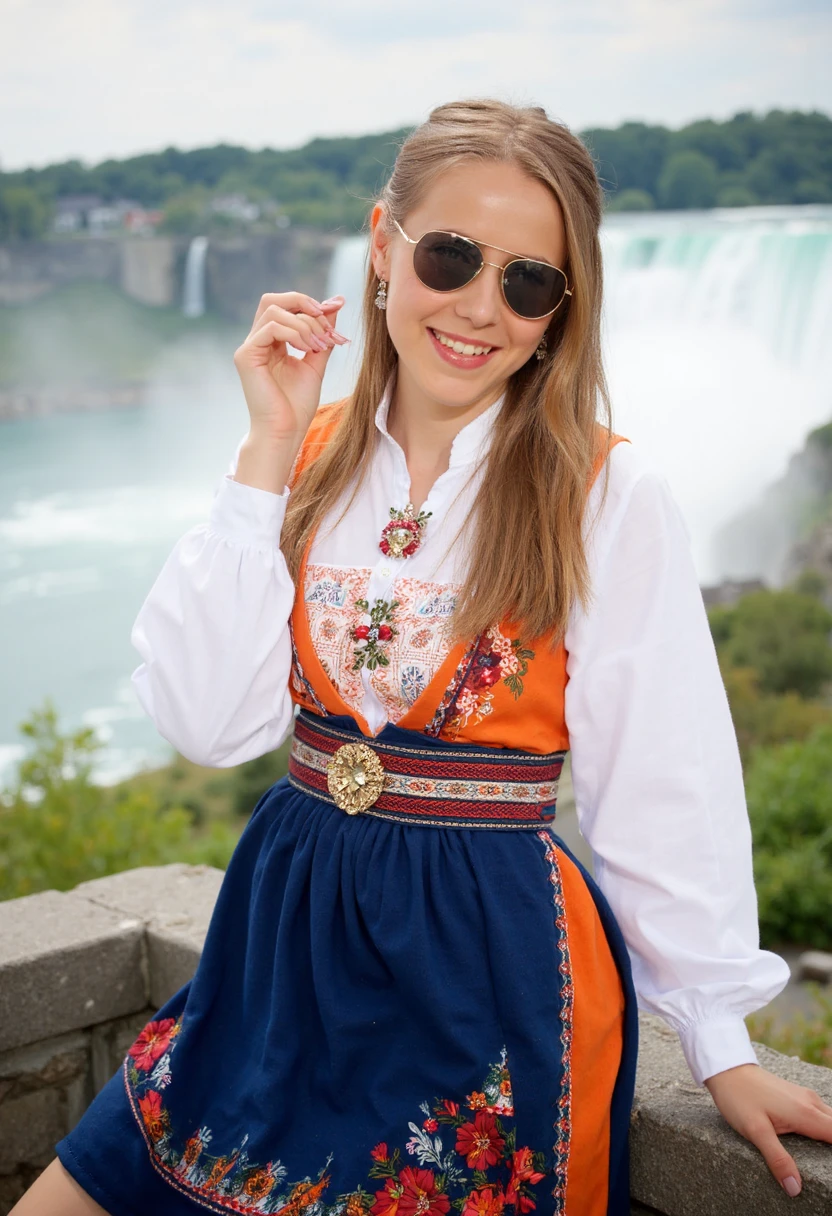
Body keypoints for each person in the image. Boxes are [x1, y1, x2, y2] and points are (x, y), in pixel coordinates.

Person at [13, 99, 832, 1216]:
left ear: (559, 312)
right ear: (384, 248)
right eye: (451, 256)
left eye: (528, 282)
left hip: (481, 974)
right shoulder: (297, 459)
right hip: (277, 948)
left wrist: (723, 1040)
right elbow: (209, 725)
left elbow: (664, 779)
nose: (480, 307)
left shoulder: (603, 493)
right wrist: (261, 451)